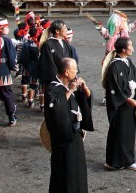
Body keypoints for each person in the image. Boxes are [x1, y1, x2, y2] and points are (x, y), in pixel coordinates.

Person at [45, 58, 93, 193]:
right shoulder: (52, 88)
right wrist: (70, 91)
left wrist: (85, 89)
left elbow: (85, 100)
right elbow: (54, 108)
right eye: (74, 69)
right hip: (63, 136)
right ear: (66, 72)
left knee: (78, 169)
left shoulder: (69, 85)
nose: (77, 71)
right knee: (64, 171)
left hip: (76, 133)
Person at [104, 37, 136, 171]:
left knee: (128, 132)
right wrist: (127, 99)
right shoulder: (114, 66)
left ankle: (127, 160)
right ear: (123, 49)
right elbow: (113, 88)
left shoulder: (128, 61)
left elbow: (135, 78)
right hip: (121, 104)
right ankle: (117, 161)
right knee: (120, 132)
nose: (133, 48)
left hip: (130, 103)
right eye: (131, 46)